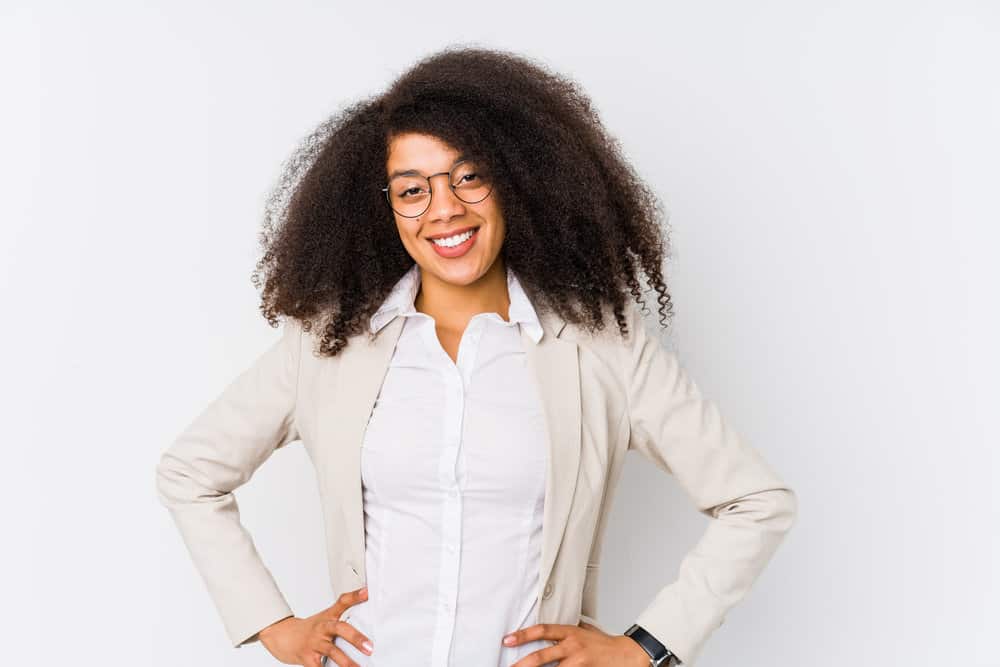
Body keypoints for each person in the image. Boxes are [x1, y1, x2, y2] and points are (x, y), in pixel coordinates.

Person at [155, 46, 798, 667]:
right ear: (383, 209)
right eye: (412, 191)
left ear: (515, 181)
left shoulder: (603, 347)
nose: (445, 210)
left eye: (469, 177)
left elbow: (756, 501)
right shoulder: (329, 346)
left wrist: (646, 647)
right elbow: (190, 473)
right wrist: (272, 625)